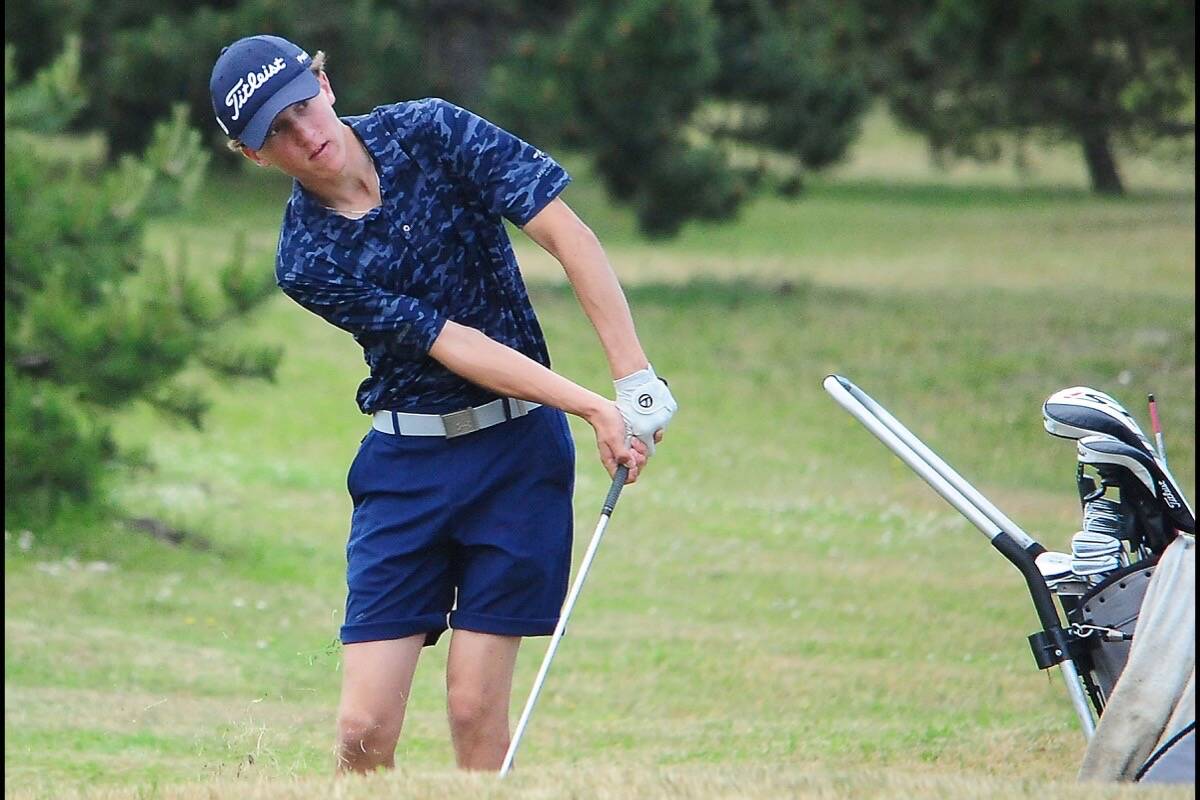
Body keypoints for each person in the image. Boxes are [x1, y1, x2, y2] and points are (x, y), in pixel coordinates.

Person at [208, 35, 677, 773]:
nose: (307, 136)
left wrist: (633, 380)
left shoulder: (431, 129)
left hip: (516, 458)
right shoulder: (306, 259)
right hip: (407, 469)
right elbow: (452, 343)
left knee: (475, 712)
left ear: (325, 85)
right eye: (278, 134)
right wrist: (590, 406)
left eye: (303, 108)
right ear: (255, 155)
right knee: (363, 731)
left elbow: (566, 233)